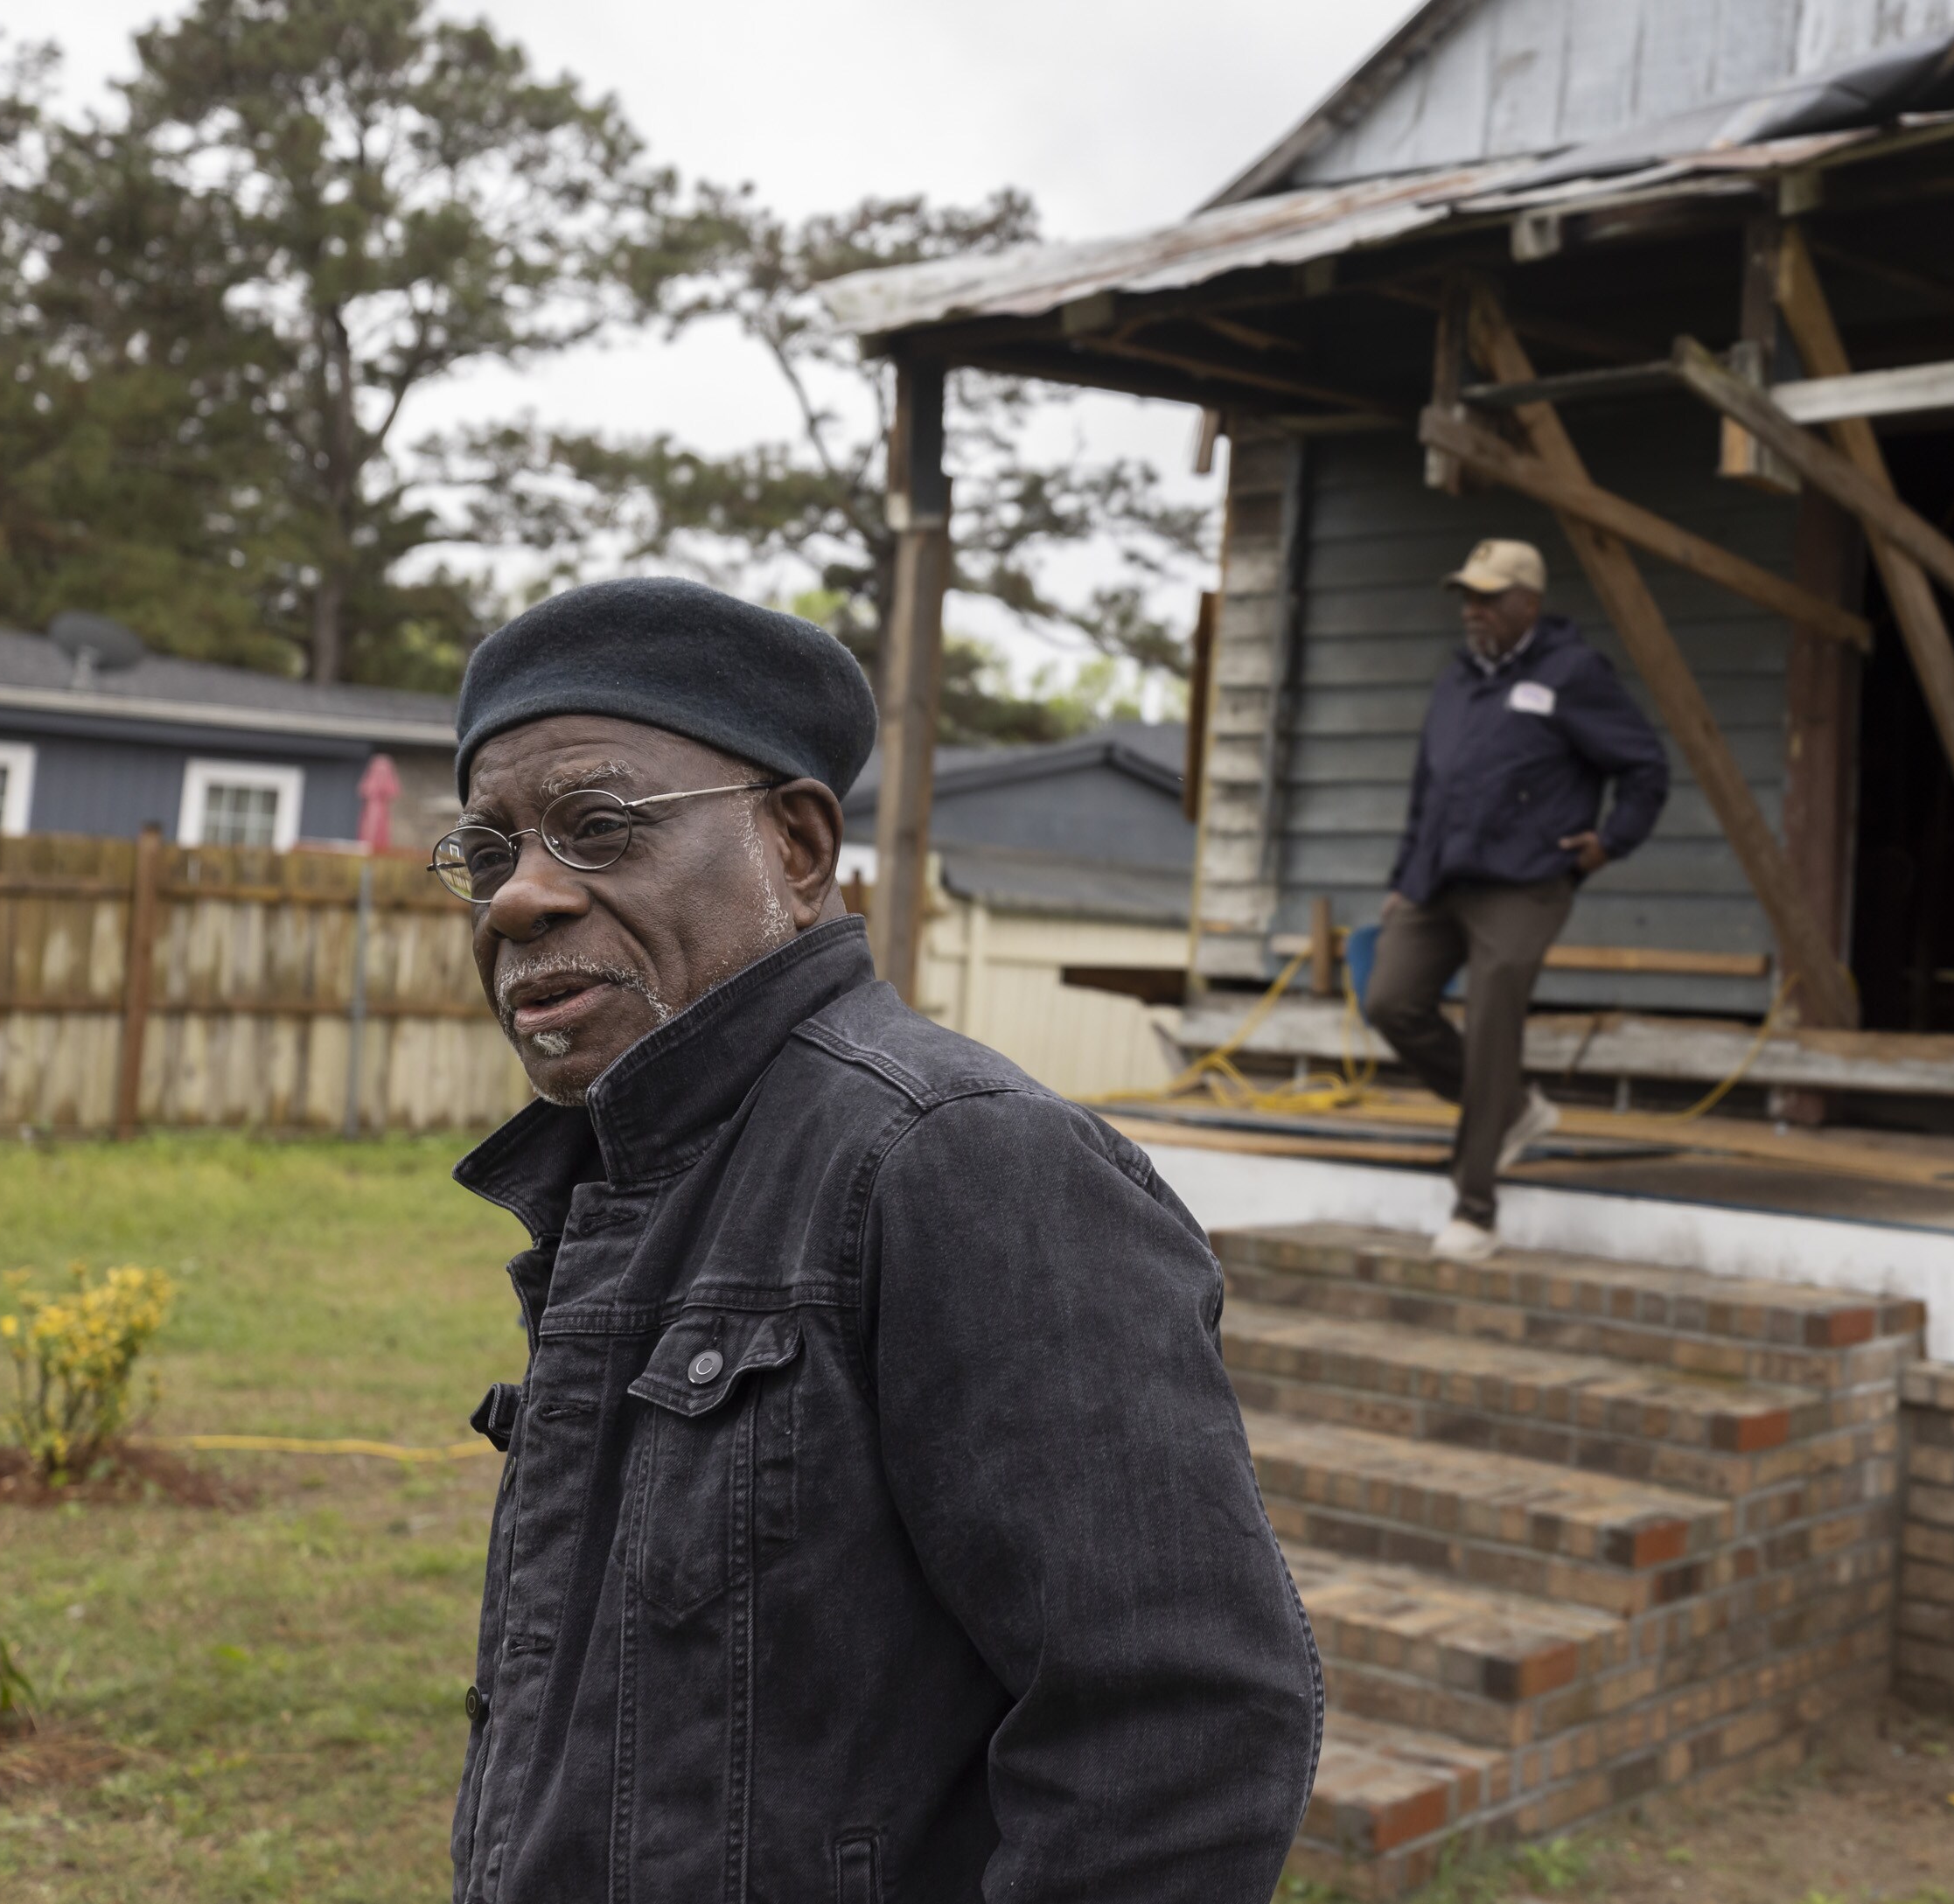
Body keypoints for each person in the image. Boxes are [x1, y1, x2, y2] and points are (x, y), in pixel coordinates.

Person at [436, 576, 1318, 1904]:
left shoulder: (956, 1158)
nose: (518, 899)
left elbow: (1177, 1737)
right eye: (489, 852)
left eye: (600, 826)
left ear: (796, 848)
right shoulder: (637, 1170)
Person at [1364, 540, 1671, 1262]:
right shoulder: (1458, 677)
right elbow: (1426, 788)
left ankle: (1475, 1209)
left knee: (1494, 1014)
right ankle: (1513, 1110)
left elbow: (1645, 765)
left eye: (1488, 597)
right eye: (1466, 596)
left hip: (1528, 881)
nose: (1473, 610)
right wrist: (1404, 878)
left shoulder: (1573, 672)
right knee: (1389, 999)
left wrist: (1609, 841)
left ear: (1527, 602)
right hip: (1440, 879)